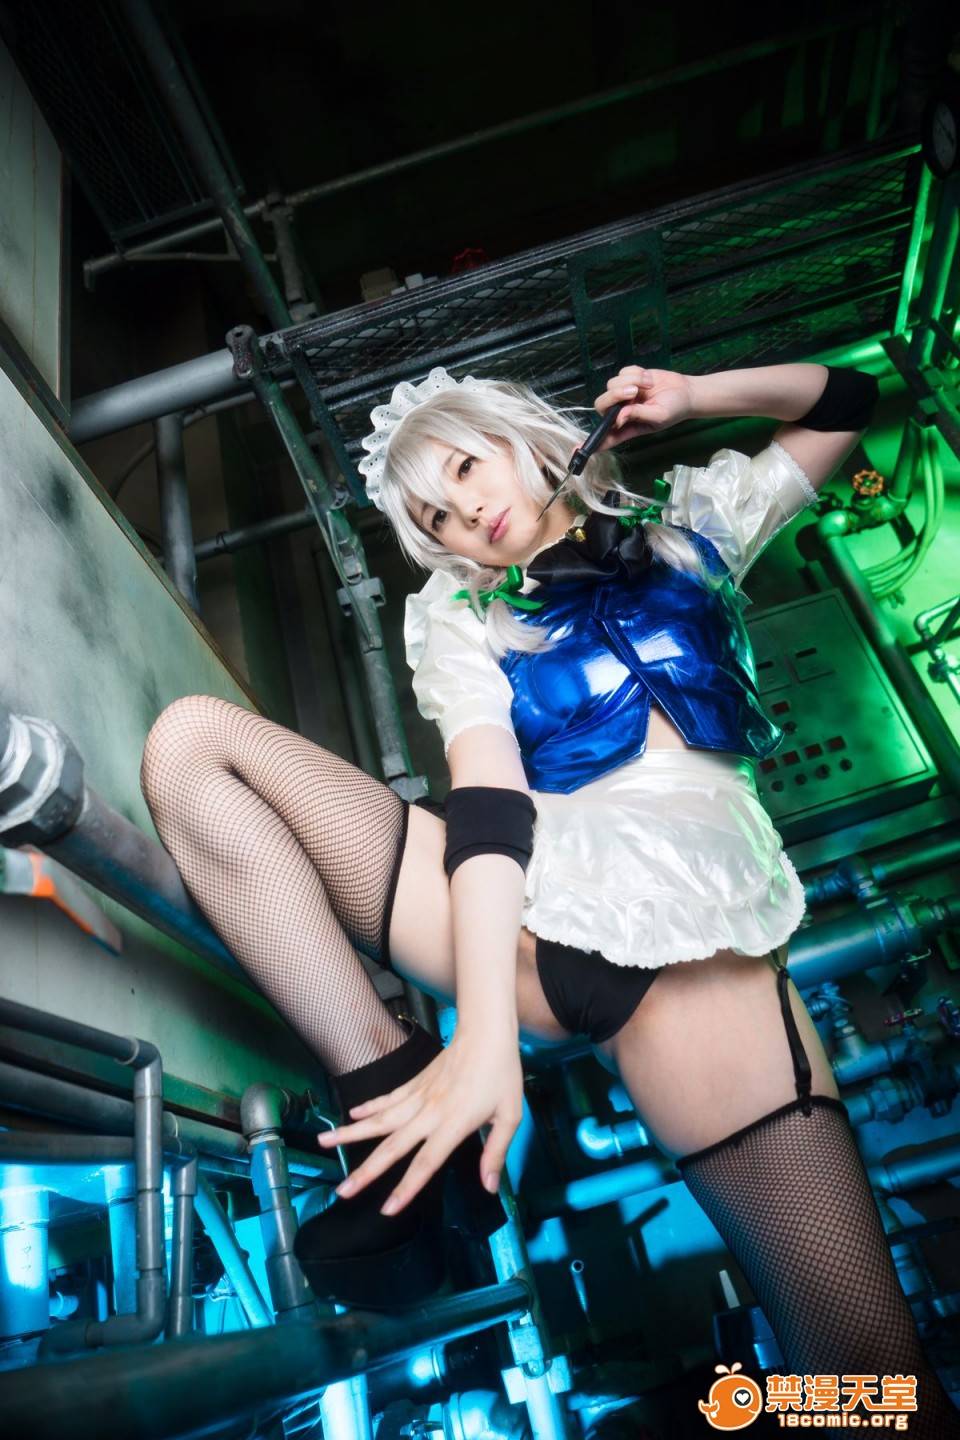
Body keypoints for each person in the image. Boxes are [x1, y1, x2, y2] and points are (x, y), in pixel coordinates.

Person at [140, 360, 959, 1434]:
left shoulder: (694, 529)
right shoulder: (460, 612)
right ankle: (383, 1087)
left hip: (690, 964)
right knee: (192, 742)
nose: (467, 513)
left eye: (466, 468)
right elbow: (488, 803)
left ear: (520, 434)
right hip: (523, 919)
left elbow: (849, 403)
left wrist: (693, 398)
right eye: (435, 516)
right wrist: (482, 1035)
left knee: (871, 1380)